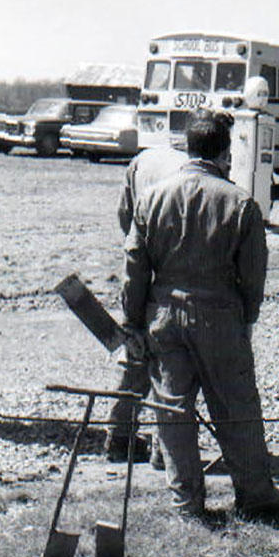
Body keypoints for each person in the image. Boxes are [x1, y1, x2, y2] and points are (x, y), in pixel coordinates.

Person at [121, 108, 279, 517]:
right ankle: (254, 494)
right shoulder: (240, 203)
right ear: (225, 152)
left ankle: (187, 504)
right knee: (237, 408)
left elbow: (134, 267)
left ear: (187, 148)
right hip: (219, 318)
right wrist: (247, 320)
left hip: (163, 317)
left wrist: (132, 321)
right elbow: (253, 276)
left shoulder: (151, 198)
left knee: (173, 412)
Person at [104, 144, 186, 466]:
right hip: (167, 275)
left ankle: (120, 437)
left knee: (137, 349)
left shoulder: (145, 160)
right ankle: (161, 448)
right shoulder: (195, 174)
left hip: (145, 266)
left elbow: (127, 224)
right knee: (173, 364)